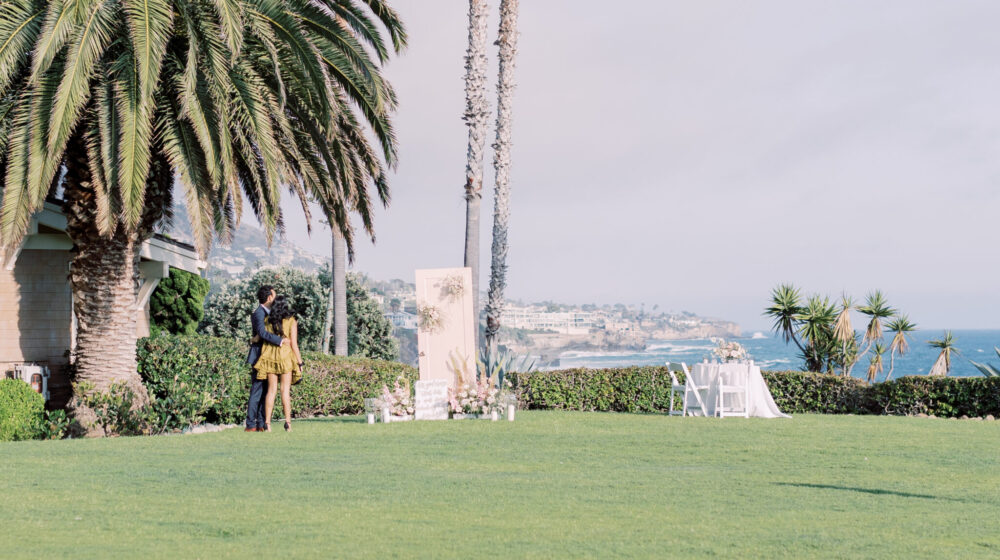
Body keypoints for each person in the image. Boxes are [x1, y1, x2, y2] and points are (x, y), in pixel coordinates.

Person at [253, 295, 303, 432]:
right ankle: (288, 423)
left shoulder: (268, 320)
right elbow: (294, 344)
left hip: (270, 356)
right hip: (285, 357)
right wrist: (300, 363)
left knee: (271, 390)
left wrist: (251, 340)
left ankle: (267, 424)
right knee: (284, 391)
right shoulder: (291, 321)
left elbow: (259, 337)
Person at [244, 286, 288, 432]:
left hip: (268, 357)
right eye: (274, 296)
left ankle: (261, 423)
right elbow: (262, 333)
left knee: (266, 391)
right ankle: (251, 425)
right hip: (259, 358)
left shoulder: (269, 313)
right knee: (257, 391)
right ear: (269, 297)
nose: (276, 299)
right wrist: (280, 340)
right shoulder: (259, 313)